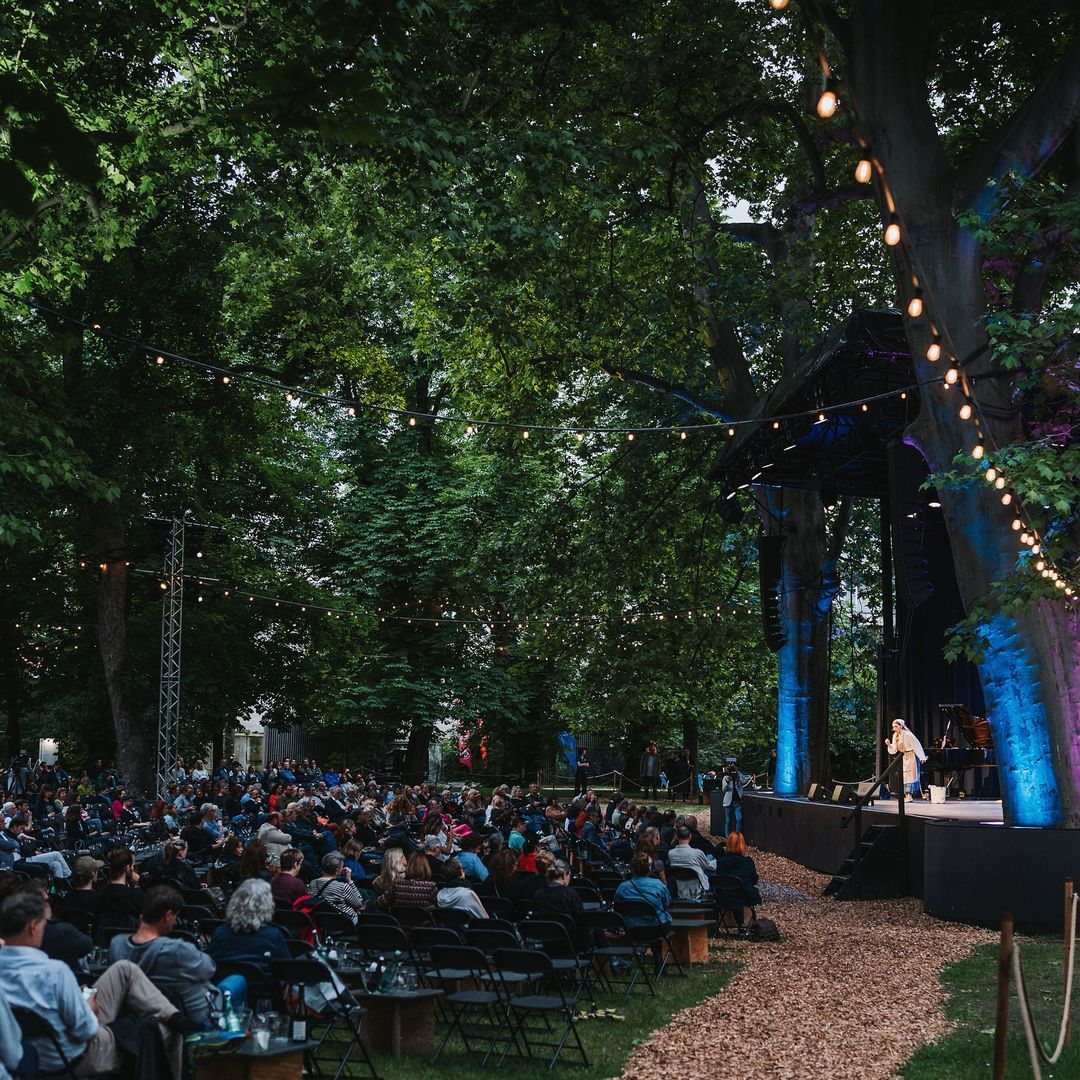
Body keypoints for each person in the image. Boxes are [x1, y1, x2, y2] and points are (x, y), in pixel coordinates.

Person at [0, 889, 193, 1079]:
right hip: (76, 1057)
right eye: (44, 924)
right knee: (168, 1033)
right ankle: (178, 1027)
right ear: (33, 927)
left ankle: (174, 1016)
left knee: (124, 969)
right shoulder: (55, 973)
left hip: (40, 1049)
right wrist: (89, 1007)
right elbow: (86, 1030)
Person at [108, 884, 231, 1024]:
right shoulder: (177, 950)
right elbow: (209, 969)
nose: (174, 922)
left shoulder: (116, 945)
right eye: (175, 917)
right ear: (168, 916)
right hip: (193, 1017)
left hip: (139, 1014)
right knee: (236, 981)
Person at [207, 879, 290, 976]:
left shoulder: (220, 932)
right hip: (263, 989)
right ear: (267, 905)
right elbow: (287, 968)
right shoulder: (273, 935)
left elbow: (209, 963)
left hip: (227, 986)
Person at [713, 831, 761, 935]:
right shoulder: (747, 862)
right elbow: (753, 880)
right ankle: (743, 926)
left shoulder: (721, 861)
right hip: (743, 897)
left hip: (723, 896)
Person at [307, 851, 366, 923]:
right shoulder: (343, 887)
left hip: (322, 921)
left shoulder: (312, 883)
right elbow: (359, 904)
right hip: (344, 921)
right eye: (342, 866)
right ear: (337, 870)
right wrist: (349, 881)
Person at [665, 825, 715, 899]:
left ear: (677, 837)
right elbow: (711, 867)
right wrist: (716, 862)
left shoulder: (671, 853)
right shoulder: (697, 853)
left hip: (680, 888)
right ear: (690, 836)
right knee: (710, 860)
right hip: (698, 889)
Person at [886, 718, 927, 801]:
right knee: (905, 776)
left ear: (901, 726)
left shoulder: (908, 735)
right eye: (893, 727)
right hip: (904, 757)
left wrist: (922, 757)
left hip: (912, 756)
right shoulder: (895, 735)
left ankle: (909, 795)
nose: (894, 729)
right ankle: (906, 795)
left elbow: (917, 745)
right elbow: (894, 749)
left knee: (911, 777)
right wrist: (889, 745)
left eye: (896, 726)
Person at [99, 846, 144, 918]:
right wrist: (137, 885)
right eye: (133, 866)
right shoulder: (135, 895)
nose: (133, 869)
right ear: (128, 868)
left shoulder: (102, 895)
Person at [721, 760, 752, 834]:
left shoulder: (738, 775)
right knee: (728, 821)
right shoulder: (726, 777)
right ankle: (728, 837)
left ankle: (737, 836)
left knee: (739, 819)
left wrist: (737, 772)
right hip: (728, 802)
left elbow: (744, 781)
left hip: (737, 802)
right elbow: (723, 790)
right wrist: (727, 783)